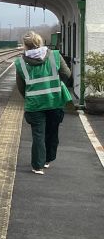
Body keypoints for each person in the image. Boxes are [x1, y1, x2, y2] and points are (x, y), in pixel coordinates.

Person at [14, 31, 73, 174]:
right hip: (54, 102)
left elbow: (21, 88)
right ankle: (47, 160)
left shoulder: (20, 63)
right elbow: (67, 74)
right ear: (40, 42)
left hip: (34, 105)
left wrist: (30, 96)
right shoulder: (55, 56)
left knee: (38, 135)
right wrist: (57, 86)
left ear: (25, 46)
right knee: (52, 131)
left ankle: (37, 166)